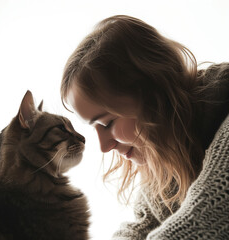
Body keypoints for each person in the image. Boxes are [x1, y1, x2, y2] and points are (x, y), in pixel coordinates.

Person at [60, 15, 229, 239]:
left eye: (107, 123)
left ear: (154, 95)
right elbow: (143, 225)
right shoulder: (166, 156)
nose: (104, 146)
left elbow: (203, 220)